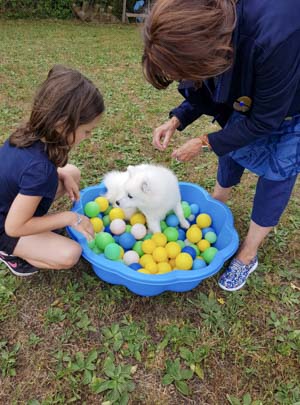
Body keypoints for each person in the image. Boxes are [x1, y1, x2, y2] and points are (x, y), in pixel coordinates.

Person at [142, 0, 300, 291]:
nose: (182, 79)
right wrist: (177, 119)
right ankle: (218, 201)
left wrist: (204, 142)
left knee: (278, 170)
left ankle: (248, 254)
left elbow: (265, 121)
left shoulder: (275, 34)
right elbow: (208, 88)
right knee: (231, 140)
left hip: (292, 105)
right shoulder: (208, 26)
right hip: (253, 86)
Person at [0, 65, 105, 276]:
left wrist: (61, 173)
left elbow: (23, 173)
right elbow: (13, 227)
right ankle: (7, 252)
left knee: (71, 172)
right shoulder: (39, 170)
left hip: (11, 204)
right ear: (62, 124)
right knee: (69, 254)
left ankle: (36, 231)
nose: (88, 136)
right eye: (86, 131)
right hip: (6, 225)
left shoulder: (28, 132)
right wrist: (69, 218)